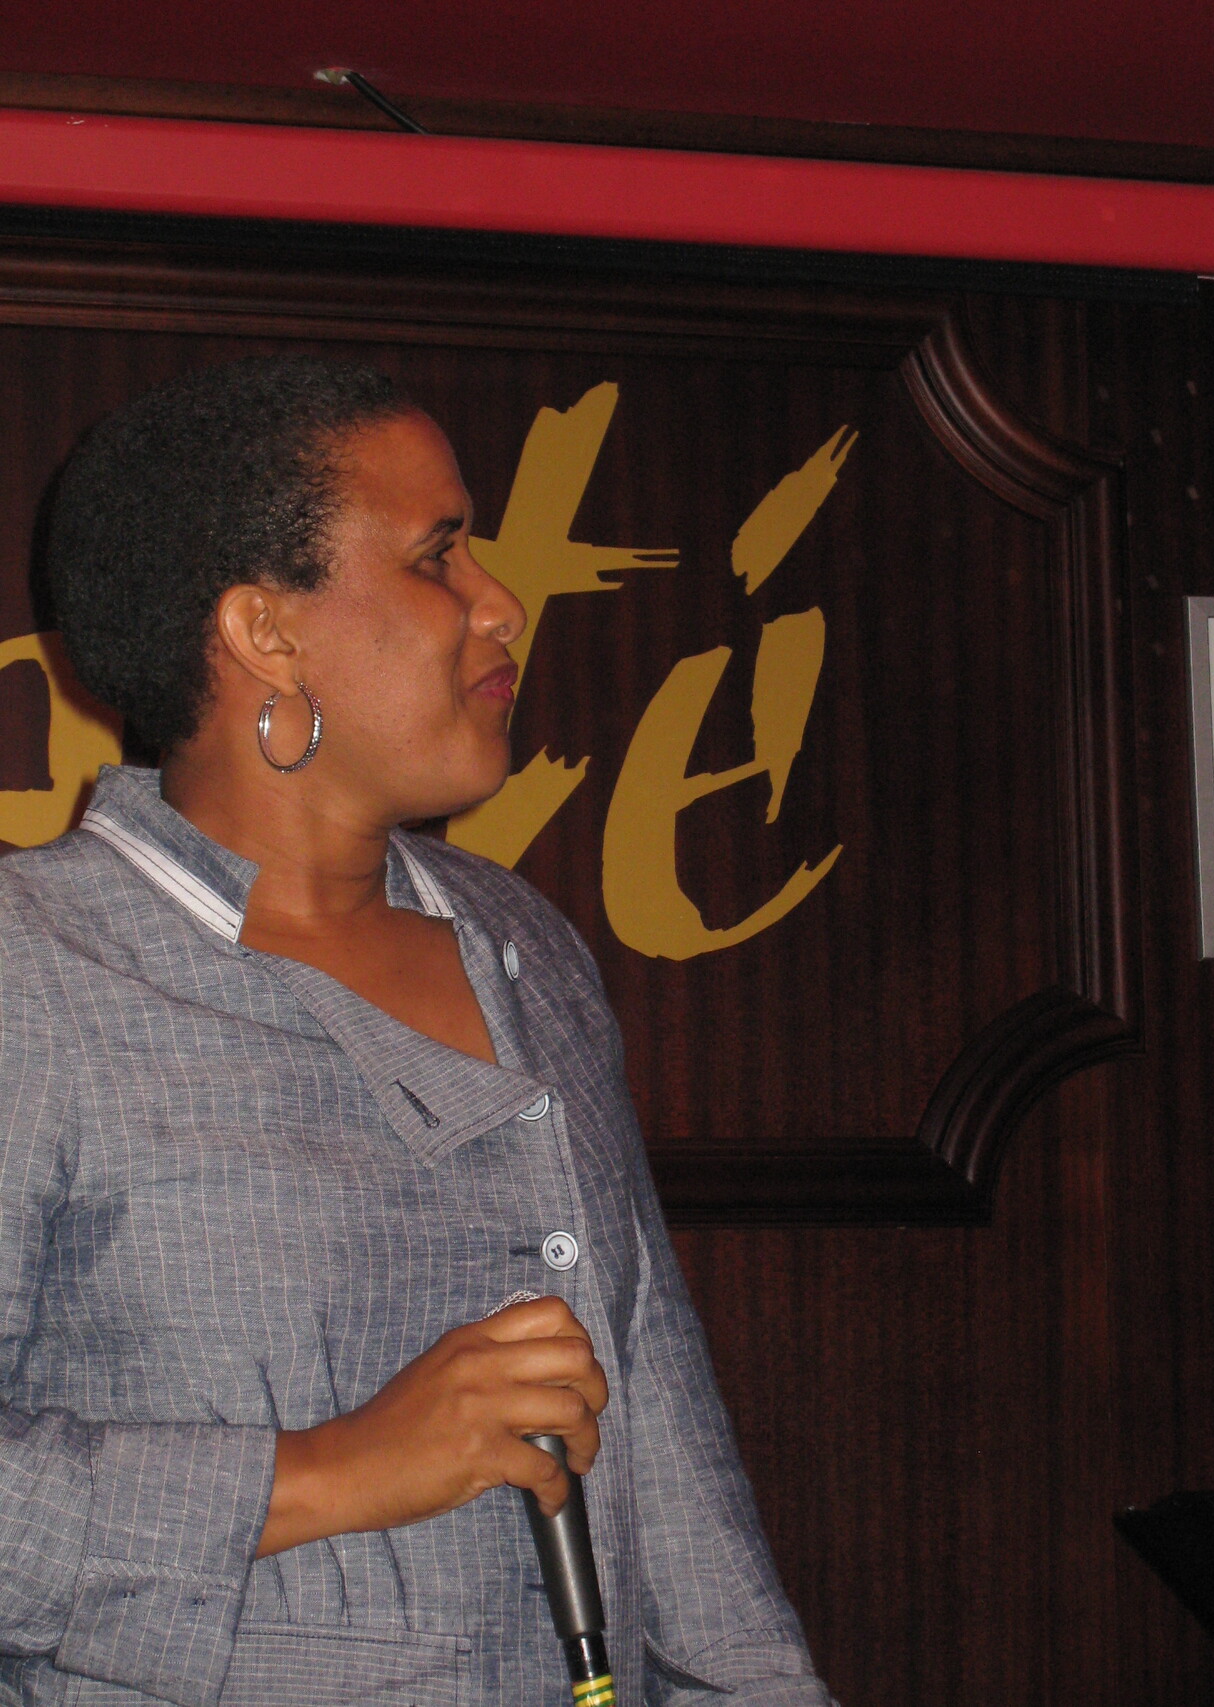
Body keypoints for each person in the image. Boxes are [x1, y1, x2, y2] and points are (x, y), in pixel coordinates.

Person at [0, 356, 836, 1707]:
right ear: (265, 631)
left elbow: (666, 1454)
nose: (500, 603)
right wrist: (330, 1472)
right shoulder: (33, 968)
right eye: (438, 555)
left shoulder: (520, 942)